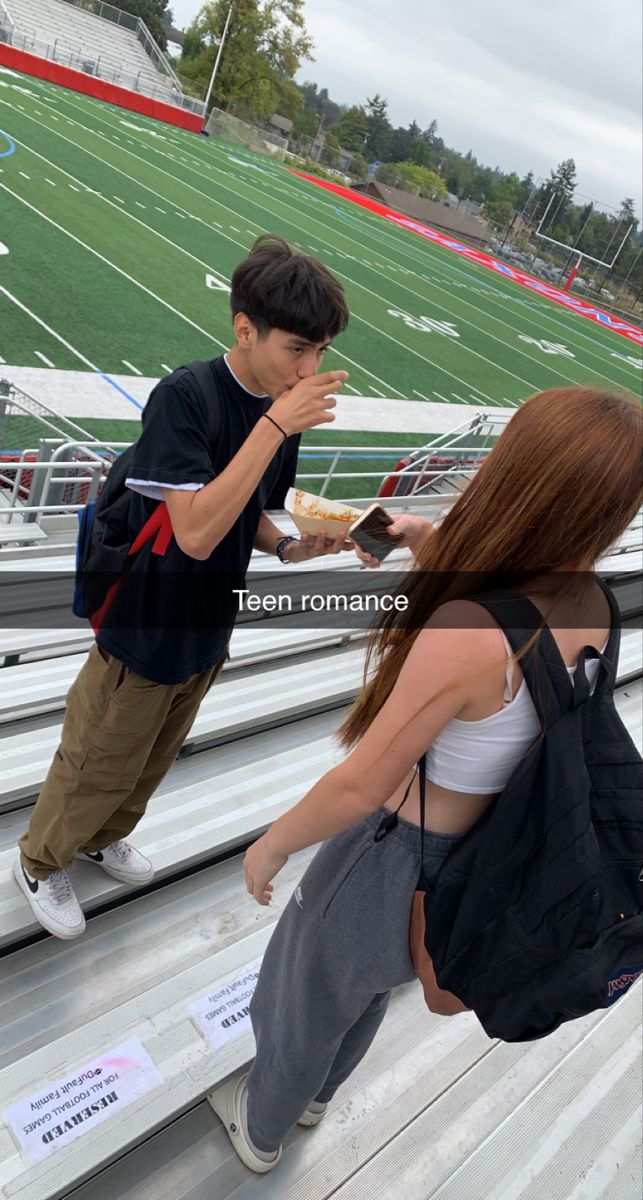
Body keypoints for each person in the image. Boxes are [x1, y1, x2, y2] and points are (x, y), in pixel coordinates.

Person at [208, 385, 642, 1173]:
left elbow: (360, 786)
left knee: (306, 994)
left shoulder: (466, 637)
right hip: (474, 869)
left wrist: (268, 849)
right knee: (369, 990)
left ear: (523, 478)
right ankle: (313, 1098)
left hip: (391, 856)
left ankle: (263, 1127)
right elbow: (516, 616)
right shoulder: (594, 603)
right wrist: (420, 537)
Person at [14, 234, 363, 940]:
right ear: (245, 329)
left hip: (208, 620)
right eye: (298, 348)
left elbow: (250, 514)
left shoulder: (276, 407)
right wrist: (272, 426)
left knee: (153, 754)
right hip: (145, 617)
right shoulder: (188, 397)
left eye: (321, 352)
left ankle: (101, 837)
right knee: (97, 753)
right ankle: (38, 860)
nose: (310, 369)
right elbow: (196, 530)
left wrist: (293, 546)